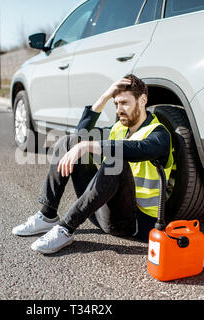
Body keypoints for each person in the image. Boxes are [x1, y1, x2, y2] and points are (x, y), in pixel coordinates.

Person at [12, 74, 173, 254]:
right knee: (69, 142)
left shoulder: (159, 134)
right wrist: (104, 97)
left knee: (115, 160)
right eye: (116, 104)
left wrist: (88, 145)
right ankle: (48, 214)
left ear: (142, 100)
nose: (119, 109)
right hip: (97, 211)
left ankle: (66, 228)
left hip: (130, 222)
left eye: (125, 103)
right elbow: (80, 134)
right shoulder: (118, 128)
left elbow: (138, 148)